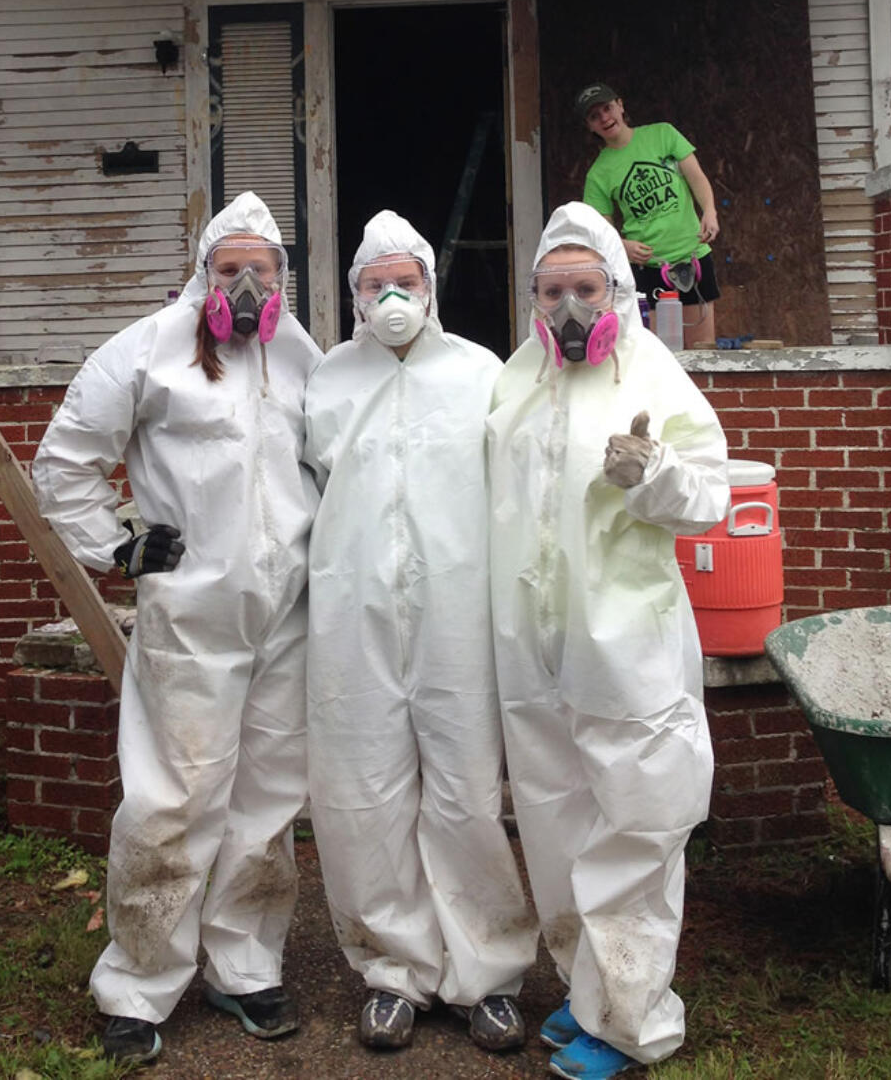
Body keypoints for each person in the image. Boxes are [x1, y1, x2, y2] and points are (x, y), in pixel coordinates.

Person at [31, 192, 321, 1068]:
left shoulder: (297, 354)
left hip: (288, 613)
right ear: (203, 275)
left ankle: (244, 963)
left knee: (268, 799)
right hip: (192, 612)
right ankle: (139, 981)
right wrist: (117, 544)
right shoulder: (148, 350)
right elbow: (66, 457)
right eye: (229, 269)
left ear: (281, 279)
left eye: (260, 270)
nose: (244, 283)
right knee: (174, 795)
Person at [487, 203, 728, 1079]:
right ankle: (586, 989)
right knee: (555, 823)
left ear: (617, 291)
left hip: (627, 644)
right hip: (536, 647)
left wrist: (655, 474)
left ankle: (632, 1018)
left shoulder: (652, 374)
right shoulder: (517, 379)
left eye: (586, 288)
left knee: (636, 824)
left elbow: (713, 494)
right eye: (551, 290)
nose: (568, 307)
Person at [303, 211, 538, 1054]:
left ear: (430, 288)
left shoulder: (481, 374)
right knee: (362, 795)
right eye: (374, 285)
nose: (390, 296)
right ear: (354, 295)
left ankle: (489, 972)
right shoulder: (325, 380)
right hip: (350, 613)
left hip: (458, 615)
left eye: (405, 281)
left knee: (466, 792)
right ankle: (393, 971)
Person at [576, 83, 720, 349]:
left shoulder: (662, 134)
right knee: (657, 354)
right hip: (649, 268)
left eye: (607, 108)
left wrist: (709, 211)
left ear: (620, 105)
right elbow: (600, 229)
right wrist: (624, 246)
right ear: (590, 126)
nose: (605, 118)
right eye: (595, 116)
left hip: (693, 255)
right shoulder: (598, 174)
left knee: (703, 352)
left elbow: (696, 177)